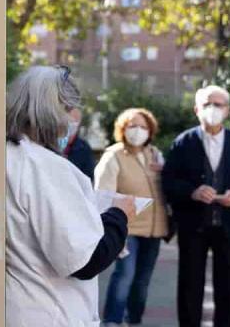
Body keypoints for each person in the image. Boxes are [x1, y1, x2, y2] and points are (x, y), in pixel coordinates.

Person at [0, 65, 136, 326]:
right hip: (42, 312)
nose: (73, 119)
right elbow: (86, 260)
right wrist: (119, 215)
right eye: (69, 109)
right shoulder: (45, 168)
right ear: (55, 112)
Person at [161, 85, 230, 327]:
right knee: (189, 285)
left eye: (218, 104)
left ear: (227, 110)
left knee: (229, 285)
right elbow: (168, 182)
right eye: (207, 104)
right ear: (196, 109)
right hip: (193, 225)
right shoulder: (183, 142)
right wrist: (192, 192)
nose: (212, 109)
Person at [95, 108, 168, 326]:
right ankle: (112, 321)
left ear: (150, 130)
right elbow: (102, 195)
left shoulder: (154, 154)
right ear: (122, 129)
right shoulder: (113, 156)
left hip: (154, 229)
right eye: (132, 125)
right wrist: (111, 230)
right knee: (124, 276)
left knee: (142, 280)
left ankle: (134, 320)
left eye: (143, 126)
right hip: (126, 230)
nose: (138, 131)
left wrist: (165, 170)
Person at [64, 108, 96, 181]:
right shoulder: (51, 143)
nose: (70, 124)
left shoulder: (84, 148)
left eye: (74, 122)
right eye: (68, 121)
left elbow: (89, 176)